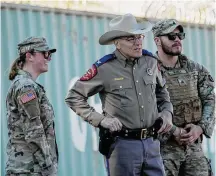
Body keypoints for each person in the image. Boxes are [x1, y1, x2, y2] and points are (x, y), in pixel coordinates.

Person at [65, 13, 174, 176]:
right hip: (123, 147)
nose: (138, 43)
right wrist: (101, 120)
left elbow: (162, 93)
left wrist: (167, 113)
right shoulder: (104, 68)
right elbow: (74, 97)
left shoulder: (150, 61)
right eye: (131, 39)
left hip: (152, 145)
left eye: (140, 37)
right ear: (117, 43)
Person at [152, 19, 215, 176]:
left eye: (180, 35)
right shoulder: (148, 71)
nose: (177, 40)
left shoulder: (196, 70)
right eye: (171, 36)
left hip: (193, 146)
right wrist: (174, 131)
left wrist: (200, 128)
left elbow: (210, 100)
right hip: (162, 149)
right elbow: (144, 109)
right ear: (157, 40)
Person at [5, 37, 58, 176]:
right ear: (29, 56)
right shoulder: (26, 87)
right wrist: (49, 168)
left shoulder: (28, 85)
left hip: (31, 168)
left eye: (50, 55)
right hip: (29, 169)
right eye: (45, 54)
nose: (48, 58)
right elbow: (34, 131)